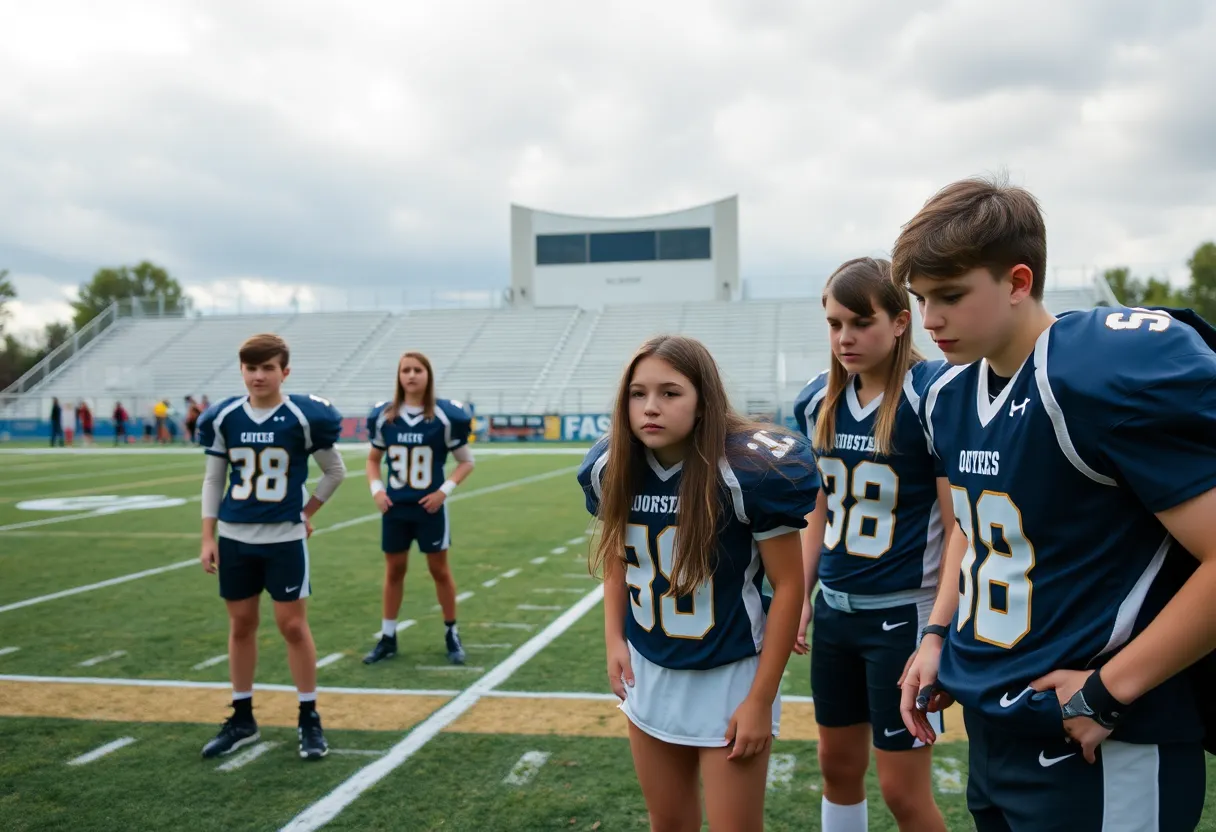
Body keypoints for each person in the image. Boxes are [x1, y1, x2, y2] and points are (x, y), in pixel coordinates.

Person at [895, 175, 1216, 831]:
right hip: (999, 726)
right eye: (921, 297)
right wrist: (936, 634)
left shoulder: (1089, 374)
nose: (929, 320)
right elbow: (975, 528)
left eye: (950, 296)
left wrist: (1107, 690)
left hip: (1101, 739)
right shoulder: (952, 393)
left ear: (1018, 281)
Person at [577, 334, 820, 831]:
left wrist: (760, 698)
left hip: (731, 674)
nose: (650, 407)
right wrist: (613, 640)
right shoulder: (613, 464)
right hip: (650, 664)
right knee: (667, 822)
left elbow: (790, 587)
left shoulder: (746, 472)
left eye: (670, 393)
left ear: (703, 400)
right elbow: (618, 559)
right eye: (638, 393)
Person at [791, 257, 951, 832]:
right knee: (836, 767)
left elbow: (959, 527)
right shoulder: (817, 400)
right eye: (835, 323)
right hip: (837, 610)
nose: (845, 337)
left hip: (902, 615)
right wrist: (802, 594)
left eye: (860, 322)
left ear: (902, 322)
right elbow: (818, 506)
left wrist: (939, 626)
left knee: (902, 792)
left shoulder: (932, 396)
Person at [196, 333, 347, 761]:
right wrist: (208, 536)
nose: (258, 376)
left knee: (293, 627)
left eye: (267, 367)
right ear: (241, 370)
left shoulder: (303, 416)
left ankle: (308, 716)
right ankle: (242, 718)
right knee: (240, 625)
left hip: (284, 538)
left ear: (285, 371)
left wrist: (307, 512)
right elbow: (213, 479)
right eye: (251, 367)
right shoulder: (225, 416)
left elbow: (335, 471)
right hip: (235, 536)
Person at [362, 351, 476, 666]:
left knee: (439, 570)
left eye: (417, 370)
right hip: (395, 507)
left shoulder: (443, 416)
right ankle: (387, 636)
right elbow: (373, 460)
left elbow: (466, 462)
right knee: (394, 571)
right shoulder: (385, 416)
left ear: (428, 375)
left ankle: (452, 632)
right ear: (399, 376)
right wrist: (377, 490)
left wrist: (443, 491)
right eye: (405, 370)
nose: (411, 375)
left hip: (429, 509)